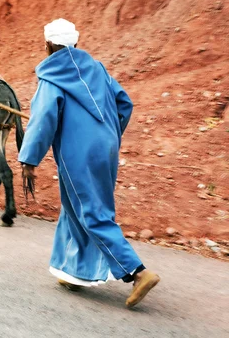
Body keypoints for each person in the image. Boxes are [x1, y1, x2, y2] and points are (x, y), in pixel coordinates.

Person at [18, 19, 160, 308]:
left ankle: (138, 272)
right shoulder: (98, 69)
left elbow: (43, 119)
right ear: (76, 43)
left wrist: (28, 159)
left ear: (47, 46)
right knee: (74, 207)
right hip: (107, 149)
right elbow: (125, 104)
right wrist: (108, 134)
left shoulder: (51, 79)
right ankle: (73, 271)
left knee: (91, 211)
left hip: (77, 154)